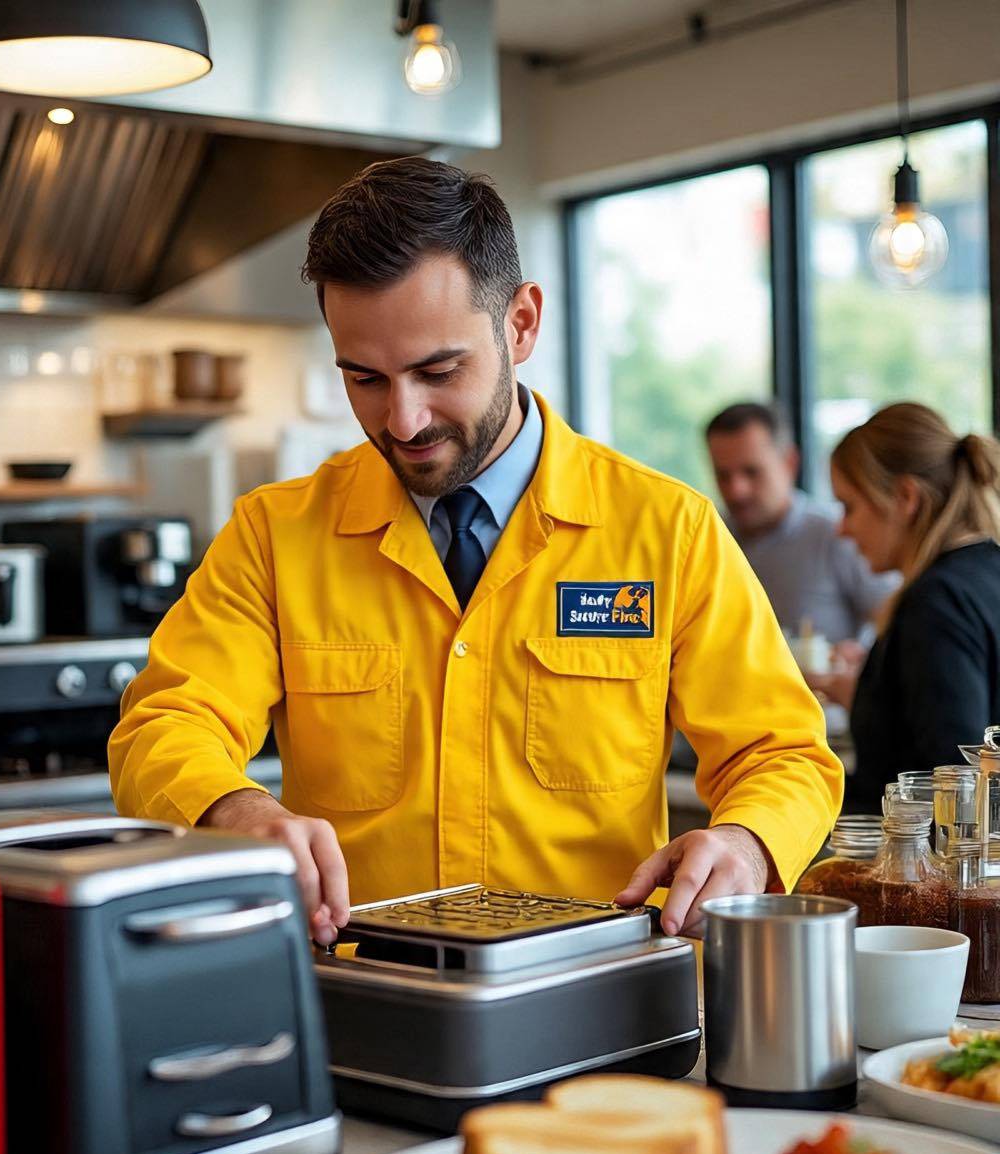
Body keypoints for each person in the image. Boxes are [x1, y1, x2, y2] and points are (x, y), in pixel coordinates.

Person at [109, 158, 843, 944]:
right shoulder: (273, 536)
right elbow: (164, 724)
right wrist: (236, 809)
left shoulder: (668, 532)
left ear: (520, 323)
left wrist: (745, 841)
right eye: (365, 379)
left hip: (597, 996)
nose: (403, 420)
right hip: (359, 992)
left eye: (438, 370)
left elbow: (782, 754)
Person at [807, 402, 1000, 813]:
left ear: (905, 497)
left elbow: (953, 784)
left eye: (849, 506)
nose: (842, 528)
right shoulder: (987, 572)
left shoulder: (937, 602)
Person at [705, 402, 897, 645]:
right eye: (723, 475)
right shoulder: (708, 540)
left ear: (790, 463)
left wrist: (861, 660)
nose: (736, 490)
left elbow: (900, 627)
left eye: (751, 472)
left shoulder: (840, 533)